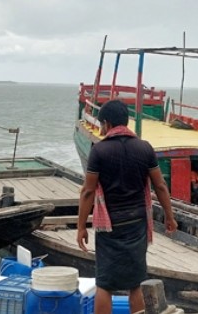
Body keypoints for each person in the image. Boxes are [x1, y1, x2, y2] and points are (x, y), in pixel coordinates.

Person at [77, 100, 177, 314]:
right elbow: (160, 185)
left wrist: (81, 226)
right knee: (136, 281)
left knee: (104, 283)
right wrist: (169, 216)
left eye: (102, 124)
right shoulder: (144, 148)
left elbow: (88, 191)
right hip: (137, 222)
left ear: (107, 123)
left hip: (109, 225)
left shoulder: (99, 150)